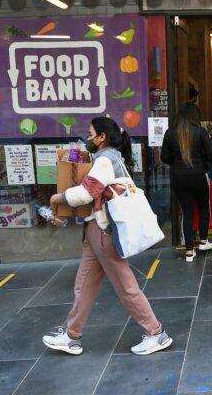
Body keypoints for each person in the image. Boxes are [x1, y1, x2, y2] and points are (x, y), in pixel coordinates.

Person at [44, 117, 173, 356]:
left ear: (102, 137)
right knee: (84, 286)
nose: (88, 138)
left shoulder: (105, 160)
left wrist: (58, 198)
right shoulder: (111, 157)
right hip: (95, 232)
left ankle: (156, 333)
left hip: (103, 232)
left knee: (126, 287)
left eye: (91, 133)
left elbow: (87, 192)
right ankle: (71, 336)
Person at [162, 102, 212, 262]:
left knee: (187, 213)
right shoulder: (200, 132)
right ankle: (204, 242)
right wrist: (202, 161)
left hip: (179, 178)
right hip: (199, 176)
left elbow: (164, 157)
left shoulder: (170, 133)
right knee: (204, 207)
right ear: (195, 116)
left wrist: (176, 161)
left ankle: (188, 252)